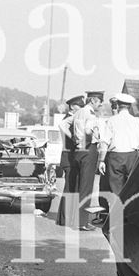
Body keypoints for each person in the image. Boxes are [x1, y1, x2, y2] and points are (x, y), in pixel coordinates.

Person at [98, 93, 139, 196]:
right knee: (132, 187)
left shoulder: (111, 121)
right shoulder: (135, 121)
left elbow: (104, 142)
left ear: (118, 105)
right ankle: (130, 210)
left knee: (116, 188)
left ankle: (117, 210)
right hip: (132, 156)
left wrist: (101, 160)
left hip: (116, 157)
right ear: (129, 106)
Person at [71, 91, 104, 231]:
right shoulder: (89, 113)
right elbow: (88, 131)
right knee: (86, 187)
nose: (100, 105)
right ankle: (82, 222)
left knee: (79, 186)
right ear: (93, 101)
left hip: (78, 150)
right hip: (88, 149)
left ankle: (76, 219)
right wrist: (97, 134)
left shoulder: (78, 112)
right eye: (99, 102)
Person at [56, 94, 85, 227]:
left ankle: (67, 217)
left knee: (72, 188)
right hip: (69, 157)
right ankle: (64, 218)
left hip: (70, 158)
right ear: (73, 106)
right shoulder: (69, 120)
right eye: (79, 106)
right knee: (69, 188)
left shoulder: (71, 119)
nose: (81, 109)